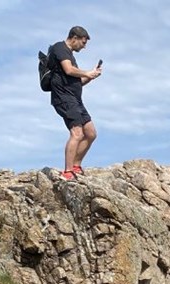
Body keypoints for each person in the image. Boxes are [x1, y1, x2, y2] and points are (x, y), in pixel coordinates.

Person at [49, 26, 102, 181]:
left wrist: (91, 76)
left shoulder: (71, 56)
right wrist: (86, 72)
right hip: (64, 99)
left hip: (76, 99)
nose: (84, 46)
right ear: (74, 38)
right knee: (77, 133)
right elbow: (68, 70)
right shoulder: (60, 48)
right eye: (83, 43)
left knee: (91, 133)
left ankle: (76, 166)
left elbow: (78, 82)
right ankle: (67, 171)